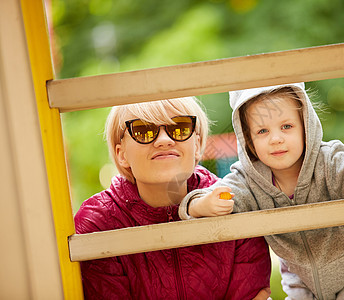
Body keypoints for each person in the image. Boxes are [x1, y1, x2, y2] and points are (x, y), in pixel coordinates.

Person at [179, 83, 344, 299]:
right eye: (262, 131)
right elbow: (216, 195)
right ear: (249, 141)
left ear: (305, 127)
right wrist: (200, 205)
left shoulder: (328, 162)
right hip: (299, 278)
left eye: (286, 127)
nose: (276, 139)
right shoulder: (248, 180)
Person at [74, 97, 272, 299]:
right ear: (121, 153)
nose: (164, 140)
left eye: (179, 127)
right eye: (144, 130)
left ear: (196, 144)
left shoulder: (234, 201)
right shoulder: (97, 224)